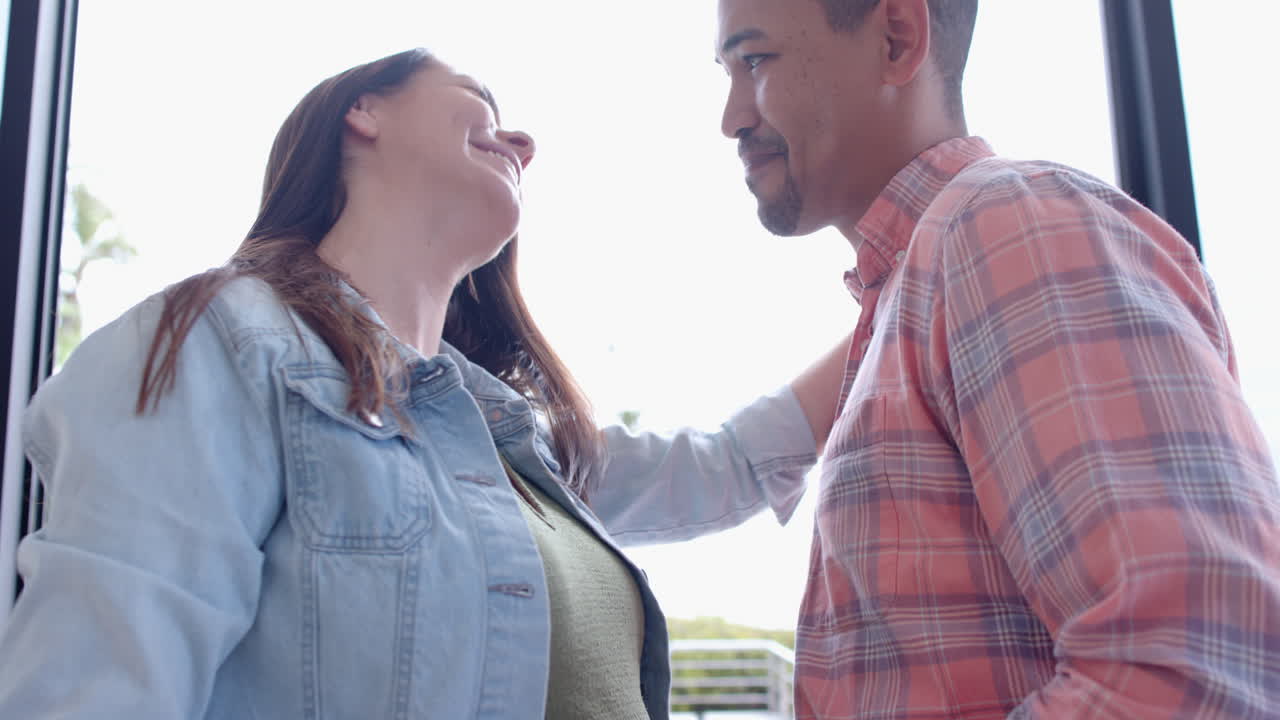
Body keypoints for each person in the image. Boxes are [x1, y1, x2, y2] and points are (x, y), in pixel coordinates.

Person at [0, 48, 844, 719]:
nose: (524, 143)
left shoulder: (514, 439)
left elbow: (730, 463)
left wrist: (905, 280)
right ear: (360, 113)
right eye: (481, 100)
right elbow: (96, 687)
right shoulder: (218, 340)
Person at [590, 0, 1280, 717]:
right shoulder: (925, 282)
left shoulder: (1005, 227)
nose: (730, 117)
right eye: (727, 72)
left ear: (896, 38)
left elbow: (1194, 668)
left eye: (756, 60)